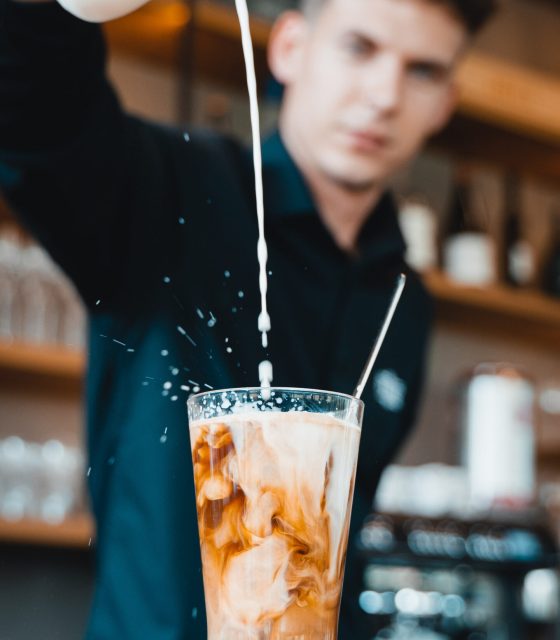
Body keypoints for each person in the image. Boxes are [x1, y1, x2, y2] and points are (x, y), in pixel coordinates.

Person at [0, 0, 496, 637]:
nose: (384, 95)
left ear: (445, 102)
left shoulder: (404, 297)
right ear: (289, 46)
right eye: (359, 47)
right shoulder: (168, 190)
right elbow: (29, 96)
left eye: (422, 70)